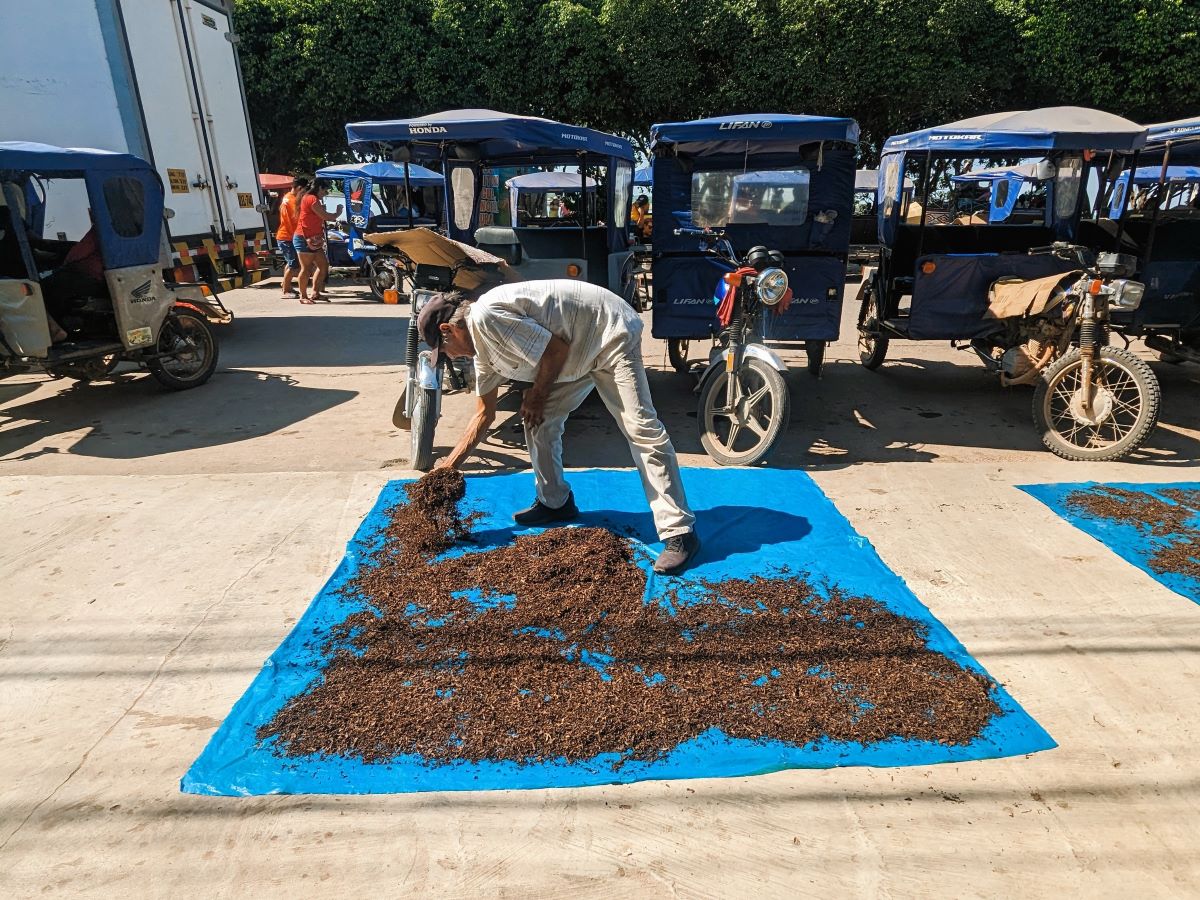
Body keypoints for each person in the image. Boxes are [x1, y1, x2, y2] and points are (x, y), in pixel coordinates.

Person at [425, 279, 701, 575]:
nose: (450, 359)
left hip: (609, 332)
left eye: (445, 352)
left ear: (448, 330)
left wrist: (538, 395)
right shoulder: (481, 356)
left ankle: (680, 532)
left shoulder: (487, 316)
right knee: (538, 422)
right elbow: (484, 415)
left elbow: (555, 350)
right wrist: (447, 469)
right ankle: (555, 502)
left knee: (641, 429)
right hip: (575, 352)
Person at [292, 179, 341, 304]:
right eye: (325, 190)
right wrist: (338, 213)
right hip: (304, 238)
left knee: (323, 265)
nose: (326, 193)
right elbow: (325, 216)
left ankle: (315, 292)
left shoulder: (309, 198)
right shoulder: (311, 199)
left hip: (314, 239)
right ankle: (303, 297)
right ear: (319, 188)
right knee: (306, 268)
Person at [276, 176, 308, 299]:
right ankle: (285, 290)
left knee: (291, 263)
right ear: (299, 188)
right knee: (293, 265)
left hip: (287, 235)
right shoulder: (291, 201)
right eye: (304, 190)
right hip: (287, 236)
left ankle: (286, 285)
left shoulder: (289, 198)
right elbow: (292, 221)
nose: (305, 193)